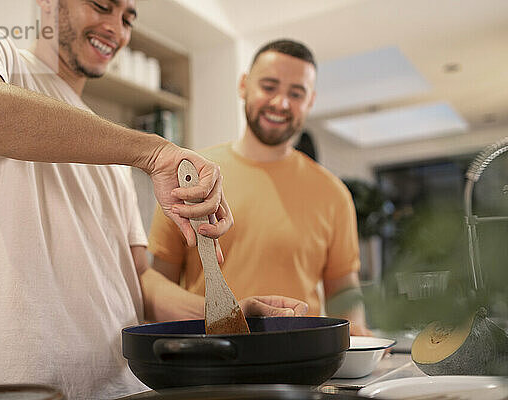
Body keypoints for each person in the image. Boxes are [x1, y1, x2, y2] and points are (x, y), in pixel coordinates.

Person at [0, 2, 309, 399]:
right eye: (102, 6)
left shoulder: (108, 146)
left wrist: (223, 313)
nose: (116, 28)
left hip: (122, 388)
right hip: (19, 388)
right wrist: (154, 152)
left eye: (127, 18)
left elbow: (138, 280)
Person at [149, 39, 371, 336]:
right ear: (243, 85)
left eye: (296, 93)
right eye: (269, 87)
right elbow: (155, 284)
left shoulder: (333, 194)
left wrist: (359, 341)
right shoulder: (191, 176)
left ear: (310, 101)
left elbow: (344, 292)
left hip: (299, 362)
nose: (281, 103)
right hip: (210, 358)